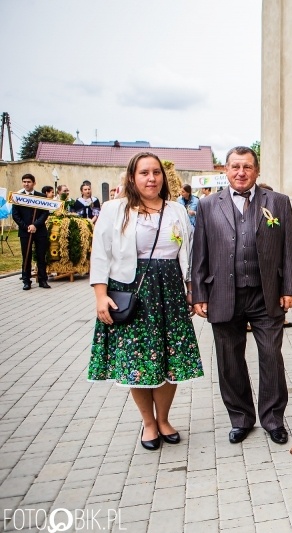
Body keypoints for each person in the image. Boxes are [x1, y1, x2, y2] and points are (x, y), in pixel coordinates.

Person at [88, 152, 202, 450]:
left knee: (170, 359)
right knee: (139, 361)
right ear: (132, 177)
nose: (151, 178)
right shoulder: (115, 210)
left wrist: (190, 290)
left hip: (171, 292)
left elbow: (186, 254)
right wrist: (101, 296)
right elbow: (100, 255)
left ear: (163, 178)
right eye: (144, 173)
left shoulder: (176, 210)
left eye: (156, 172)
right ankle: (148, 424)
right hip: (132, 292)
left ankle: (163, 419)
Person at [192, 146, 292, 445]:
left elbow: (288, 247)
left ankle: (273, 419)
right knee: (229, 361)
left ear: (257, 170)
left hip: (266, 295)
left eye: (247, 167)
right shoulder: (207, 206)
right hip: (223, 294)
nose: (241, 173)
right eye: (235, 167)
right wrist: (199, 292)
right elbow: (198, 252)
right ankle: (241, 418)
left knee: (270, 356)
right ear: (225, 170)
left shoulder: (277, 203)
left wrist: (290, 288)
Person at [12, 174, 50, 290]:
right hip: (25, 231)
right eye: (24, 182)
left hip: (39, 231)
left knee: (41, 256)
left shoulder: (41, 196)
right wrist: (26, 226)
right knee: (26, 256)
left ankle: (43, 280)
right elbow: (15, 215)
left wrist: (35, 225)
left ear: (34, 183)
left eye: (28, 182)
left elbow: (45, 213)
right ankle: (26, 280)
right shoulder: (18, 197)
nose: (26, 184)